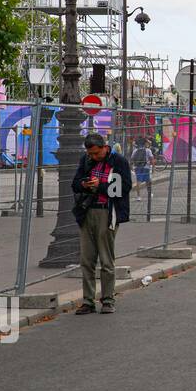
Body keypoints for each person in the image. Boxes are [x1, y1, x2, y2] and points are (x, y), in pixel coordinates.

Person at [71, 134, 132, 315]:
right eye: (90, 154)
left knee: (106, 259)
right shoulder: (86, 160)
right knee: (86, 259)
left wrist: (100, 186)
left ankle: (107, 300)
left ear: (105, 147)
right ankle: (88, 301)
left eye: (96, 153)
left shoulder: (118, 161)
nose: (94, 157)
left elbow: (124, 187)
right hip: (87, 211)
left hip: (107, 212)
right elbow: (75, 183)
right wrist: (85, 184)